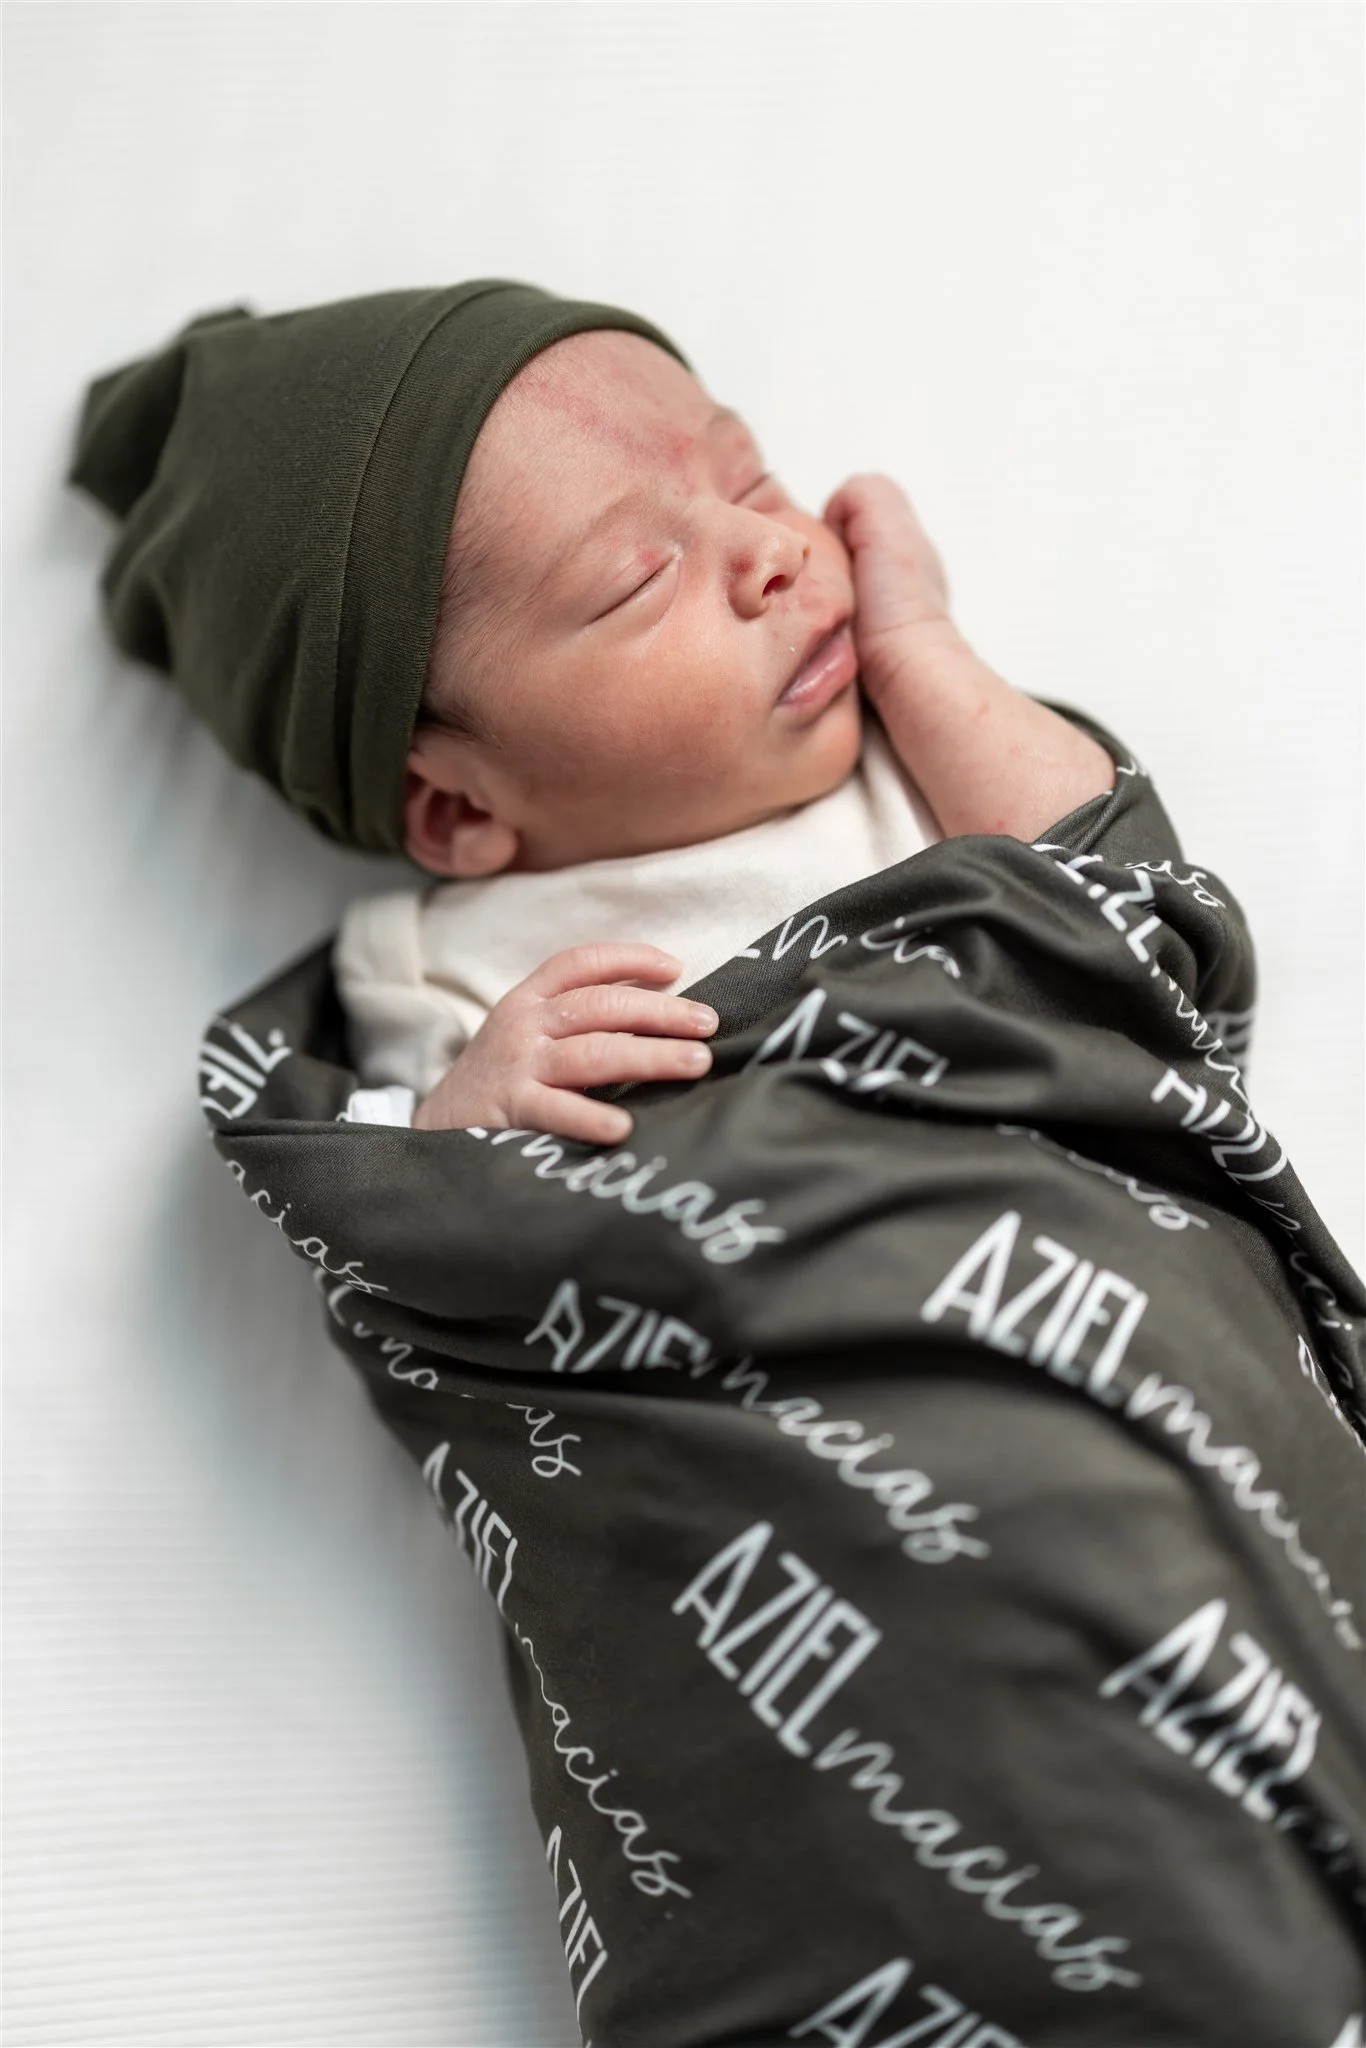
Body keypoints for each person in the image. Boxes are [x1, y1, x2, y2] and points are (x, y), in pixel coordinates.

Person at [332, 323, 1116, 1150]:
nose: (775, 547)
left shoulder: (927, 759)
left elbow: (1118, 905)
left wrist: (918, 644)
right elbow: (381, 1217)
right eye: (641, 579)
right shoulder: (441, 967)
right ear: (459, 809)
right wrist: (457, 1119)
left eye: (752, 484)